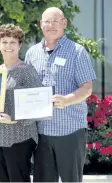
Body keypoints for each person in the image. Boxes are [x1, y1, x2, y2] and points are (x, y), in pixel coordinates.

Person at [25, 7, 97, 182]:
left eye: (55, 21)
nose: (51, 25)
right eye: (47, 22)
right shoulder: (32, 53)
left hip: (70, 131)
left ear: (64, 23)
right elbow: (26, 89)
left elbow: (87, 88)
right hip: (41, 132)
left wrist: (67, 100)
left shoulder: (77, 51)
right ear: (41, 24)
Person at [0, 24, 43, 182]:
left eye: (13, 42)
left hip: (20, 138)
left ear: (20, 45)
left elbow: (39, 105)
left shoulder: (27, 71)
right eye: (4, 42)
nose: (8, 46)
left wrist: (14, 119)